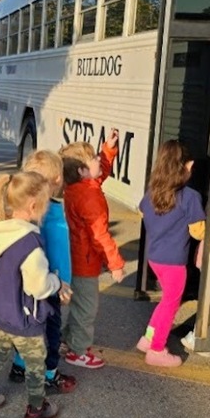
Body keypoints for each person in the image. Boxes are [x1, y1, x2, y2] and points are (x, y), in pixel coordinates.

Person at [0, 171, 64, 418]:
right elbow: (38, 287)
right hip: (25, 317)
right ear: (33, 206)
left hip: (0, 311)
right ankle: (36, 408)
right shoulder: (29, 244)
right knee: (35, 363)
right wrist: (56, 282)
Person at [7, 150, 77, 394]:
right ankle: (49, 374)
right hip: (49, 285)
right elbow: (58, 254)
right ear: (58, 179)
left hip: (25, 285)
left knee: (27, 327)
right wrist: (63, 284)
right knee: (50, 331)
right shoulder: (52, 214)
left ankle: (19, 365)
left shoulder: (22, 213)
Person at [135, 140, 206, 368]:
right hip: (175, 262)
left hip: (155, 258)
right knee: (171, 305)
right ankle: (156, 350)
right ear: (188, 166)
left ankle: (148, 338)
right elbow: (198, 232)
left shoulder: (152, 193)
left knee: (166, 301)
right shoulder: (190, 196)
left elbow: (142, 212)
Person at [58, 133, 127, 369]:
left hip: (76, 259)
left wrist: (108, 150)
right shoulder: (88, 196)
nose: (99, 159)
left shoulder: (81, 187)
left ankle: (67, 339)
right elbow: (100, 235)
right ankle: (78, 351)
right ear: (82, 171)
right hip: (85, 263)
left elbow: (101, 171)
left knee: (79, 304)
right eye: (95, 158)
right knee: (86, 308)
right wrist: (115, 264)